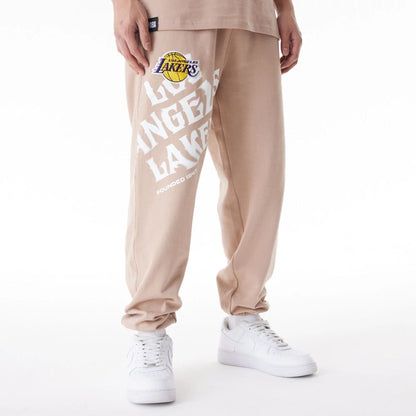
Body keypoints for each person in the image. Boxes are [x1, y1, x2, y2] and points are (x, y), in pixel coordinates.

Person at [111, 0, 318, 405]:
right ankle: (149, 329)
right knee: (167, 179)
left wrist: (285, 9)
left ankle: (245, 319)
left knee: (259, 176)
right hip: (172, 16)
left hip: (252, 17)